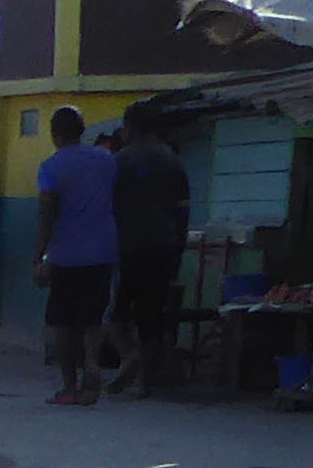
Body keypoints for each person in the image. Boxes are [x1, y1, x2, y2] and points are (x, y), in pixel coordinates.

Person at [30, 105, 124, 407]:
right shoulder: (107, 160)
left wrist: (38, 256)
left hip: (67, 255)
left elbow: (47, 213)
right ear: (83, 131)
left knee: (62, 323)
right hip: (104, 250)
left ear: (55, 134)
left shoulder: (51, 166)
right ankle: (93, 368)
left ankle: (70, 386)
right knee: (92, 318)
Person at [107, 123, 192, 390]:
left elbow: (107, 206)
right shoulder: (172, 161)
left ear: (130, 128)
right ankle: (143, 380)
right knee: (151, 314)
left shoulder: (119, 162)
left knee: (117, 313)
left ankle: (129, 357)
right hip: (164, 245)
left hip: (129, 245)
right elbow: (182, 210)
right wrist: (179, 244)